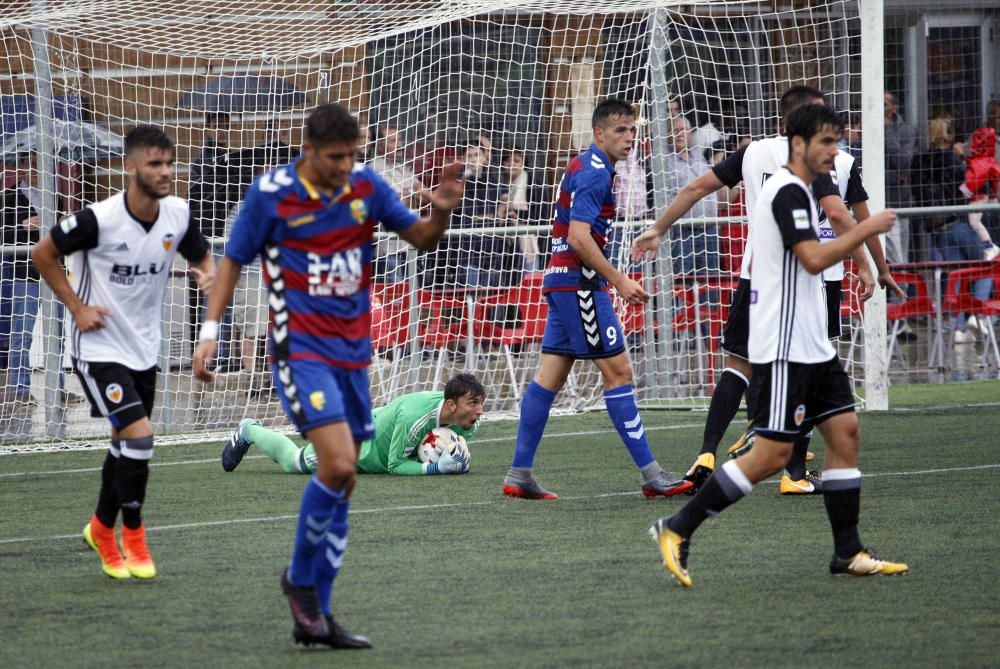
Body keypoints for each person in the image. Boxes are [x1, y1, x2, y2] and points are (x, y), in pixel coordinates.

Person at [191, 103, 465, 649]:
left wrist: (441, 212)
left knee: (344, 478)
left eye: (353, 155)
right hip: (300, 352)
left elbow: (422, 238)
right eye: (336, 157)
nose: (346, 166)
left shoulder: (365, 186)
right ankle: (300, 582)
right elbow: (232, 263)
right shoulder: (271, 193)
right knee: (338, 463)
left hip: (352, 355)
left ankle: (318, 615)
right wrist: (210, 330)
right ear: (309, 151)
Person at [649, 103, 906, 586]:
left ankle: (847, 551)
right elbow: (812, 259)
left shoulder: (815, 185)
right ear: (798, 143)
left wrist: (868, 259)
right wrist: (869, 231)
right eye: (826, 142)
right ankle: (677, 528)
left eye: (837, 140)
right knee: (769, 456)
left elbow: (831, 227)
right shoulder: (785, 191)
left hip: (813, 341)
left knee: (846, 433)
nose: (836, 150)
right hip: (786, 343)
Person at [31, 126, 216, 580]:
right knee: (140, 436)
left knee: (125, 444)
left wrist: (205, 278)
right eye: (155, 164)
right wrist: (76, 308)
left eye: (170, 163)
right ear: (130, 168)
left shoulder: (177, 214)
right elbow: (42, 253)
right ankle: (132, 535)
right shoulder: (99, 218)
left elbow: (205, 257)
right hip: (98, 347)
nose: (166, 172)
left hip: (143, 349)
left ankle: (99, 526)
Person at [501, 98, 692, 500]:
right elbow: (578, 237)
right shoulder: (594, 172)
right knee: (619, 373)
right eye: (620, 131)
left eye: (633, 130)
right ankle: (652, 474)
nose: (629, 138)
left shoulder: (587, 166)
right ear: (598, 133)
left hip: (561, 281)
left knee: (549, 378)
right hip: (580, 286)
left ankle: (519, 474)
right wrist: (619, 280)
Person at [220, 373, 484, 475]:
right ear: (451, 404)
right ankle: (248, 429)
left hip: (375, 428)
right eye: (473, 403)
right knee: (293, 462)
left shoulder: (466, 421)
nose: (479, 411)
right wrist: (435, 468)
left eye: (480, 403)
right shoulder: (414, 418)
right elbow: (395, 466)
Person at [911, 119, 993, 343]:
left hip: (935, 228)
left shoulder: (919, 160)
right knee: (988, 264)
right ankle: (978, 314)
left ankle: (958, 327)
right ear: (949, 137)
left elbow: (915, 191)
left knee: (956, 275)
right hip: (957, 222)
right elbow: (968, 189)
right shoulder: (953, 161)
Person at [1, 153, 44, 402]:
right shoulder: (9, 197)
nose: (39, 170)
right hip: (25, 274)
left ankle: (57, 387)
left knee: (57, 333)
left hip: (55, 274)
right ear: (25, 167)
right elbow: (2, 235)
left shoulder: (54, 196)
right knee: (22, 333)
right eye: (35, 165)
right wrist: (23, 226)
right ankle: (20, 389)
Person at [662, 115, 719, 278]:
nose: (679, 134)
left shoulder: (700, 157)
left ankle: (711, 306)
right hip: (682, 232)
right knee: (681, 280)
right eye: (675, 130)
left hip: (709, 230)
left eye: (683, 130)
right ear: (667, 135)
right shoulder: (665, 162)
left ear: (690, 134)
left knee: (711, 281)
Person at [884, 91, 917, 263]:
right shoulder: (864, 128)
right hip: (873, 203)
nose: (880, 109)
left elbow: (904, 162)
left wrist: (885, 129)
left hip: (899, 203)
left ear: (894, 109)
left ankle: (901, 290)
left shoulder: (906, 131)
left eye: (884, 105)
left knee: (899, 260)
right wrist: (894, 176)